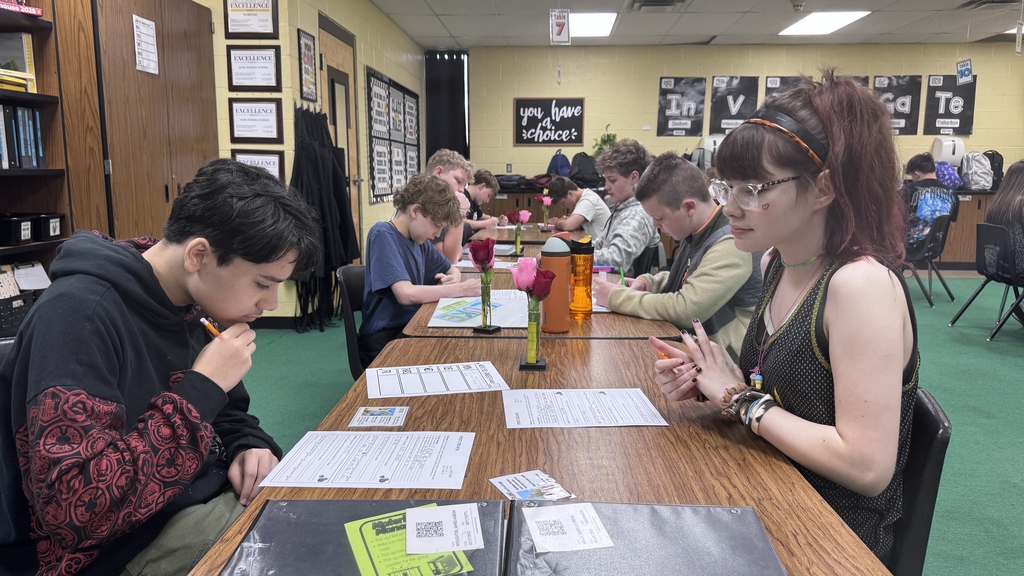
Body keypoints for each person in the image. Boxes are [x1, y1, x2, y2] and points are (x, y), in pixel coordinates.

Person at [0, 158, 323, 576]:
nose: (271, 303)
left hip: (192, 501)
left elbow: (227, 415)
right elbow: (75, 510)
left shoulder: (193, 303)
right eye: (262, 283)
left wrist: (248, 445)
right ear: (198, 255)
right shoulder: (77, 317)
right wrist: (202, 388)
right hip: (118, 547)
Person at [649, 70, 919, 564]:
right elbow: (787, 394)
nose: (730, 207)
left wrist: (738, 399)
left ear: (823, 188)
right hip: (774, 488)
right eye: (727, 187)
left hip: (830, 536)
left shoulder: (859, 286)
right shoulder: (776, 262)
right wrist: (713, 379)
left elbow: (866, 467)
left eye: (752, 189)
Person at [593, 152, 761, 362]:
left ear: (689, 207)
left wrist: (615, 297)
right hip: (696, 351)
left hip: (726, 366)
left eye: (659, 217)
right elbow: (694, 277)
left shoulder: (731, 242)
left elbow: (687, 309)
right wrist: (648, 283)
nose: (655, 225)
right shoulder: (697, 230)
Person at [360, 173, 481, 367]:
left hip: (412, 326)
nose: (437, 234)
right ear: (415, 210)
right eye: (436, 226)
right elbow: (405, 294)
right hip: (385, 339)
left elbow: (452, 269)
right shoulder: (382, 233)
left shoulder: (420, 242)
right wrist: (460, 289)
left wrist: (453, 279)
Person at [592, 139, 660, 275]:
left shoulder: (638, 214)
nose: (606, 187)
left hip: (621, 285)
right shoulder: (622, 207)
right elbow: (600, 244)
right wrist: (574, 248)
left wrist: (572, 255)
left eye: (612, 180)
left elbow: (616, 261)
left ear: (634, 178)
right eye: (606, 180)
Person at [425, 149, 474, 264]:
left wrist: (456, 252)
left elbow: (456, 252)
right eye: (458, 181)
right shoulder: (428, 205)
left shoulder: (441, 206)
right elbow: (448, 259)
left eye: (464, 185)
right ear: (438, 173)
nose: (462, 190)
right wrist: (460, 212)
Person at [901, 152, 958, 248]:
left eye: (912, 176)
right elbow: (951, 221)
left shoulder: (908, 189)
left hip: (910, 247)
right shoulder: (952, 194)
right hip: (935, 247)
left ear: (917, 174)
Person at [545, 176, 611, 240]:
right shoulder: (586, 195)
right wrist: (571, 220)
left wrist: (556, 222)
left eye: (563, 203)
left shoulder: (587, 201)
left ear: (570, 194)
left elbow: (568, 226)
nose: (563, 207)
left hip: (602, 246)